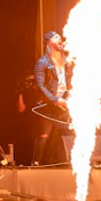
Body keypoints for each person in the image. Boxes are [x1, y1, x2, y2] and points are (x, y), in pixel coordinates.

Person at [32, 31, 73, 165]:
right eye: (56, 37)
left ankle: (59, 162)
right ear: (50, 42)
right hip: (48, 105)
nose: (60, 39)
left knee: (64, 135)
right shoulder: (42, 63)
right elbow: (40, 86)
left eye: (59, 37)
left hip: (64, 103)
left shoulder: (67, 62)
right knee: (44, 135)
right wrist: (55, 100)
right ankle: (36, 163)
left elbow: (70, 81)